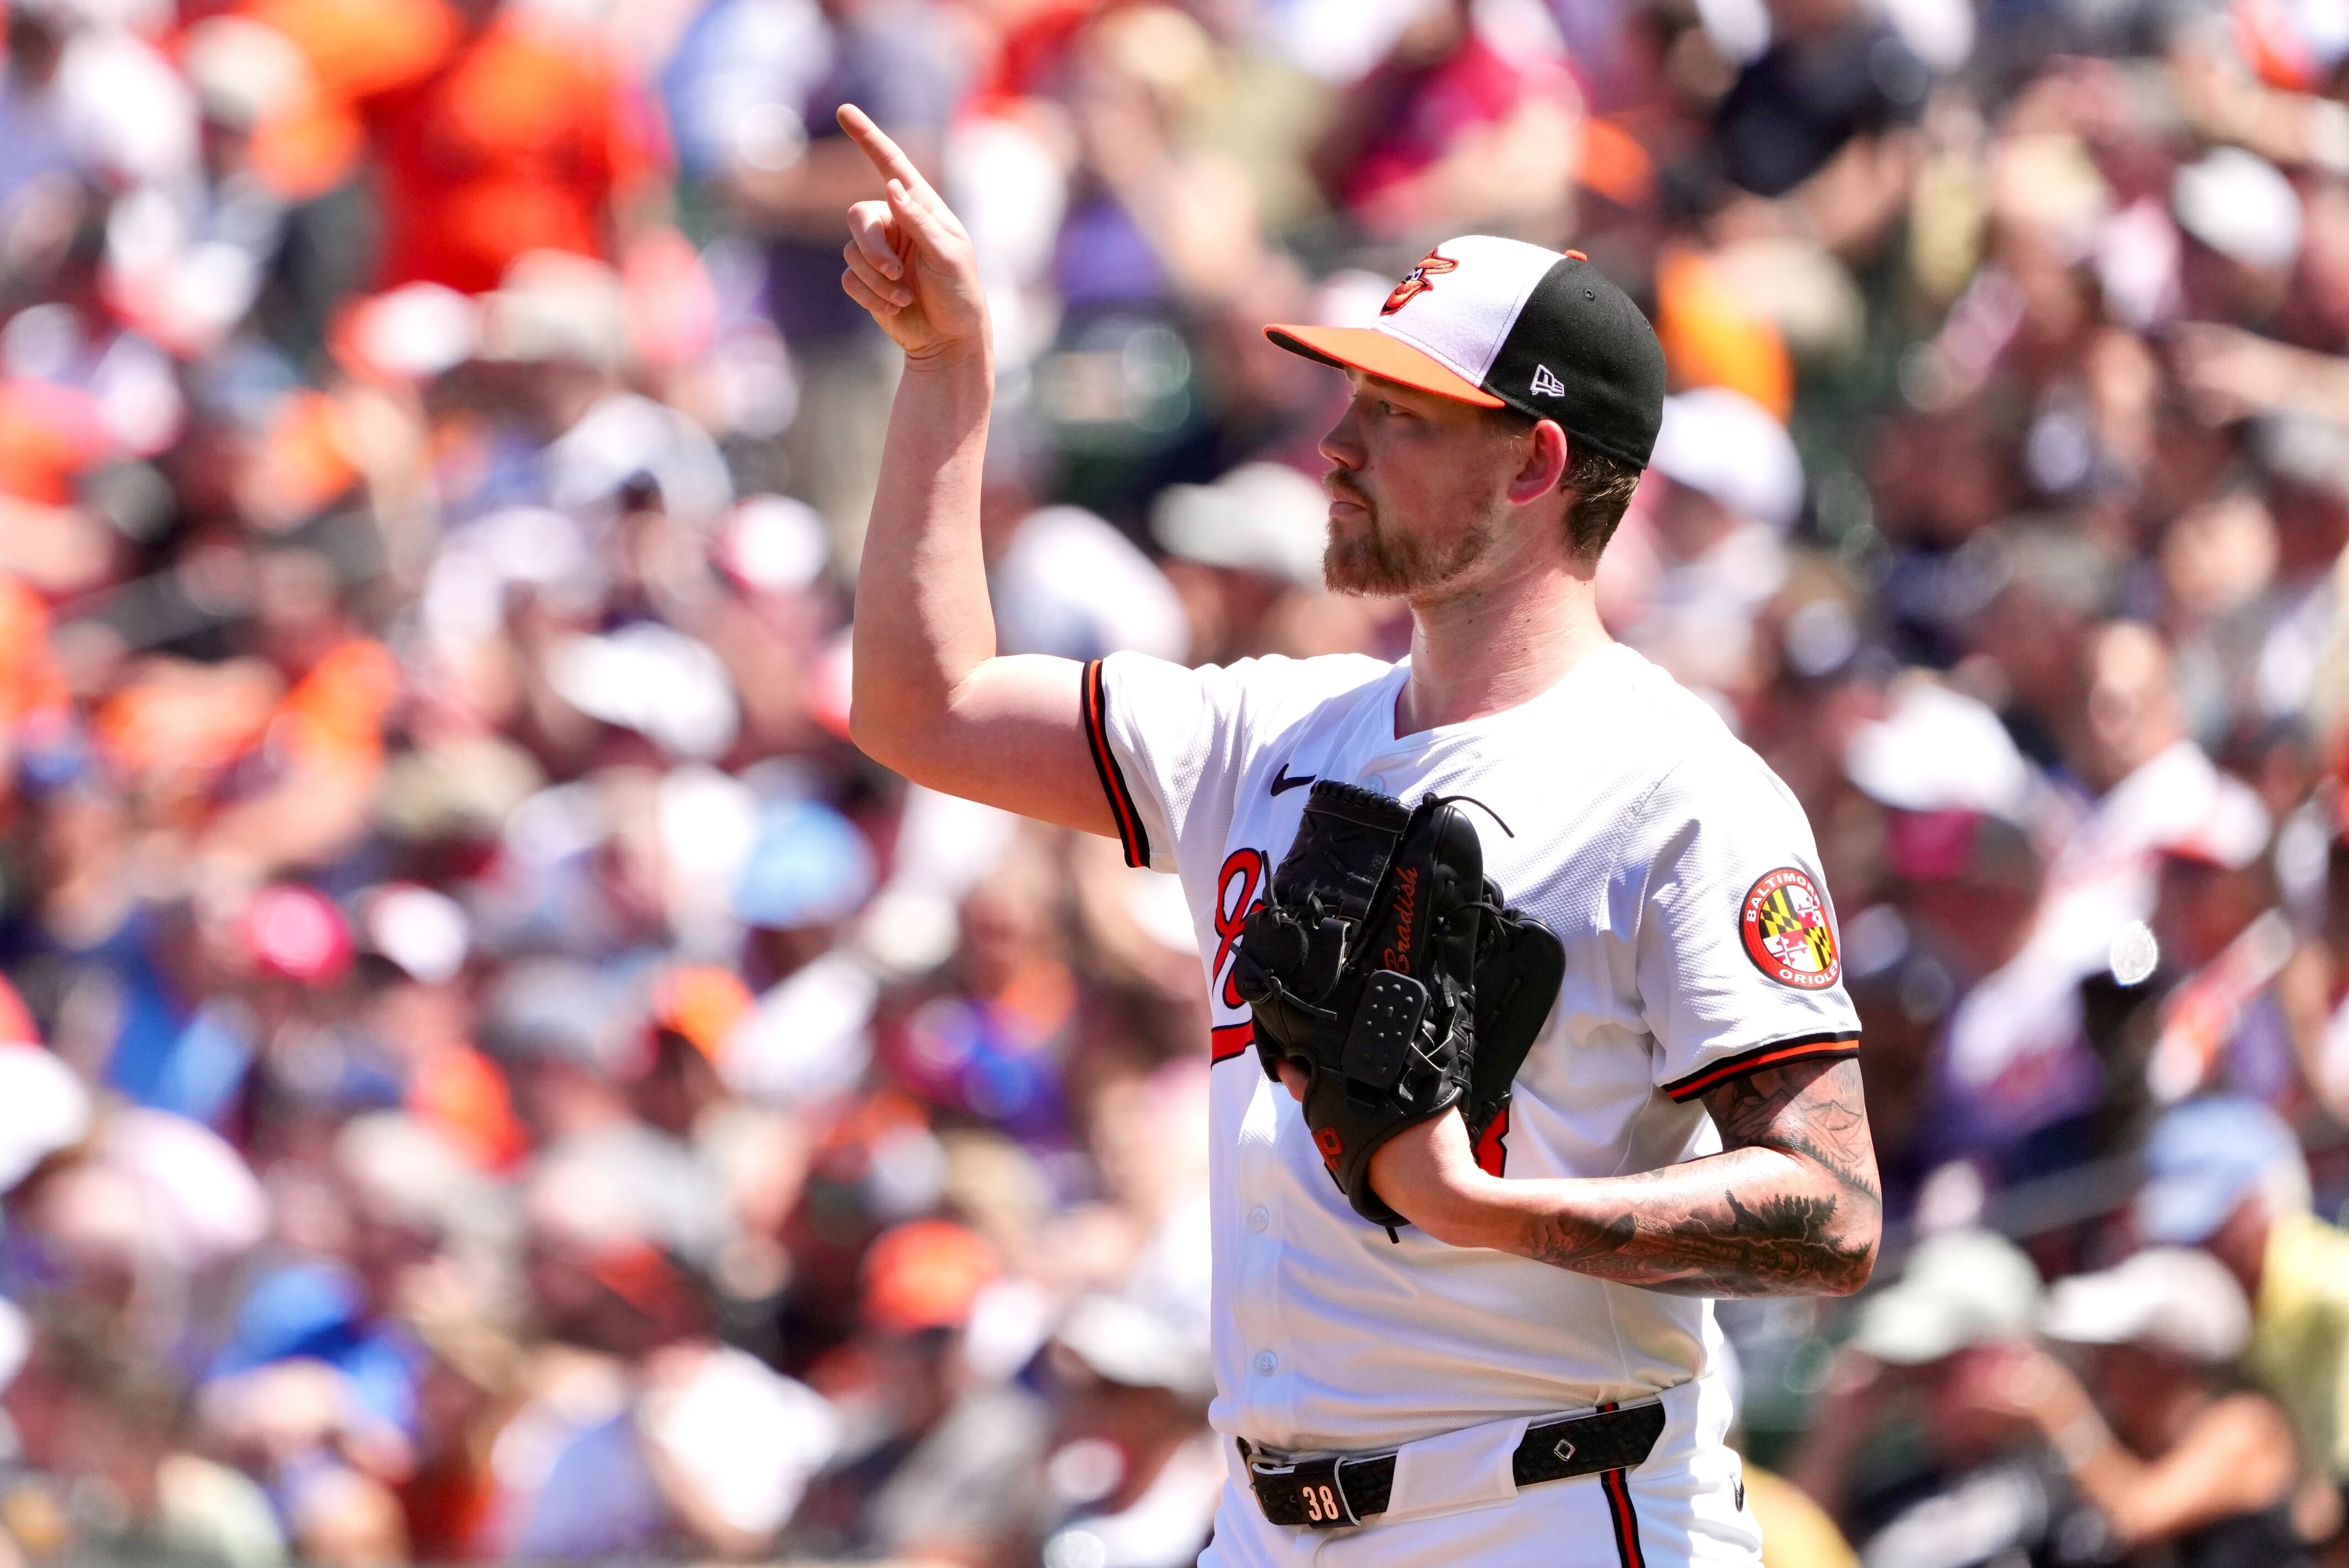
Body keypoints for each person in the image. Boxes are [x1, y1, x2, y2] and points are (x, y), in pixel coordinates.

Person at [832, 103, 1881, 1568]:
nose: (1336, 444)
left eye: (1398, 414)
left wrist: (1488, 1210)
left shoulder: (1677, 790)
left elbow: (1829, 1210)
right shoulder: (1268, 729)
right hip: (1269, 1522)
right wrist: (948, 371)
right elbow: (921, 706)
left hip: (1556, 1513)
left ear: (1531, 466)